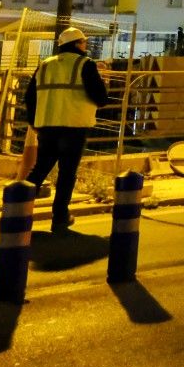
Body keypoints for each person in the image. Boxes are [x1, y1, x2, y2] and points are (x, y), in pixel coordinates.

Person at [23, 27, 110, 231]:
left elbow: (29, 96)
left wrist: (35, 122)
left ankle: (17, 207)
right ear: (78, 44)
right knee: (67, 172)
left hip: (47, 125)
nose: (86, 46)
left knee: (40, 169)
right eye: (84, 42)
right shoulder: (85, 64)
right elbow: (101, 98)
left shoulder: (44, 65)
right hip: (74, 126)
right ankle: (60, 216)